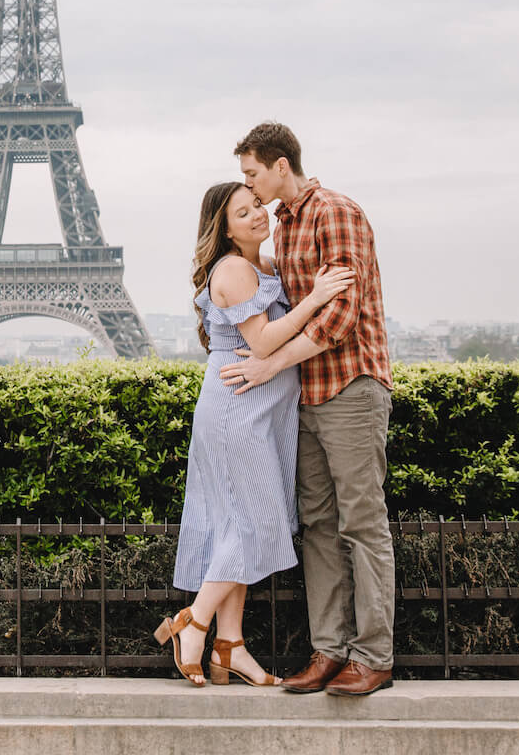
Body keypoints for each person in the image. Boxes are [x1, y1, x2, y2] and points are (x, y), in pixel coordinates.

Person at [220, 121, 395, 695]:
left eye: (251, 173)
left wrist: (269, 365)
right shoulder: (284, 231)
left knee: (362, 523)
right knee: (319, 526)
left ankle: (372, 656)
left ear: (279, 165)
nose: (247, 184)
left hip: (349, 386)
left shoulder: (335, 212)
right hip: (307, 395)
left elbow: (340, 319)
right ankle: (330, 650)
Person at [156, 181, 353, 686]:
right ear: (223, 227)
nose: (257, 216)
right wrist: (315, 299)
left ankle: (231, 645)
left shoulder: (262, 265)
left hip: (261, 412)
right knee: (248, 525)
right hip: (238, 410)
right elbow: (262, 340)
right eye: (242, 213)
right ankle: (194, 625)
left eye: (256, 207)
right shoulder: (235, 269)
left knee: (235, 526)